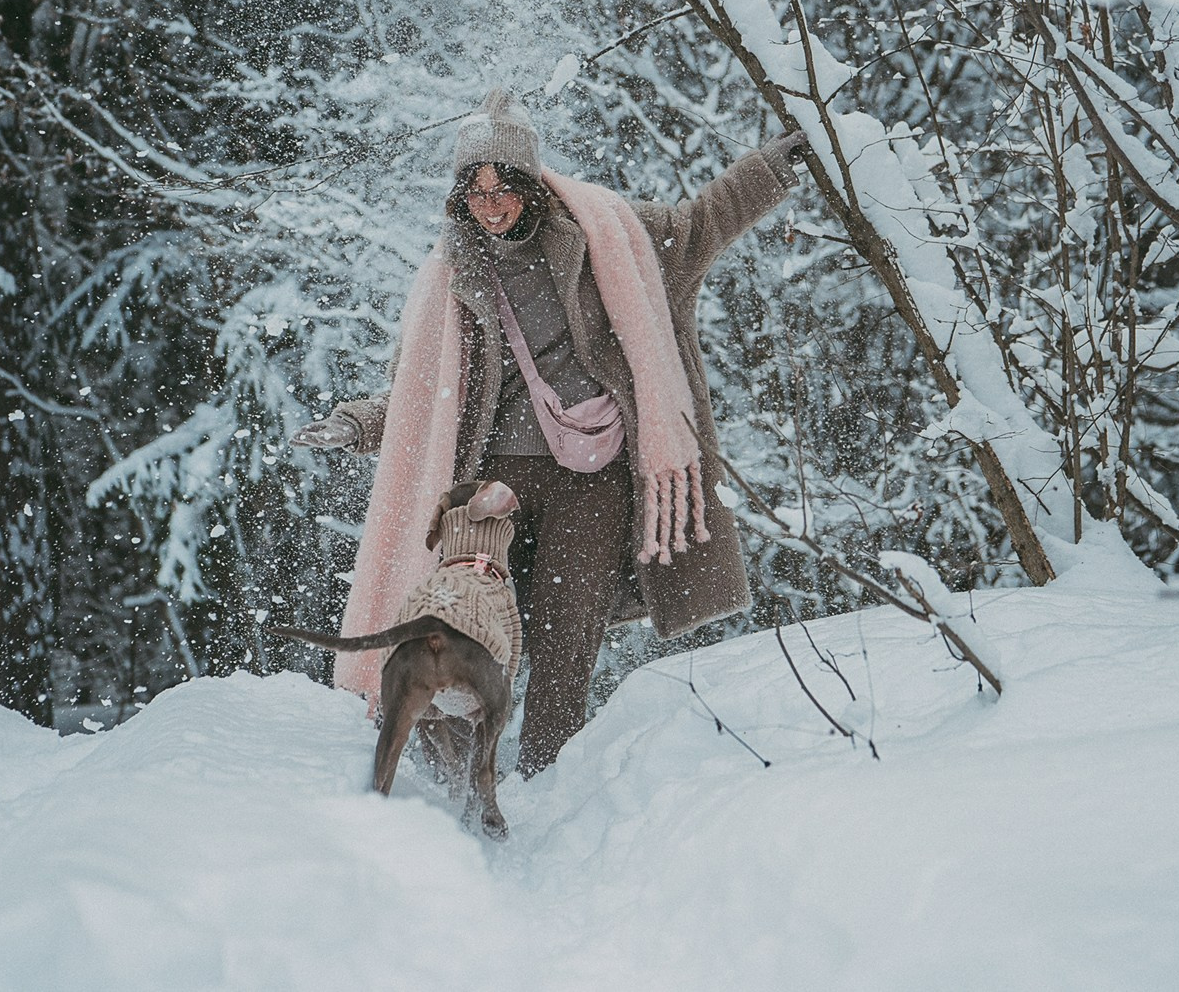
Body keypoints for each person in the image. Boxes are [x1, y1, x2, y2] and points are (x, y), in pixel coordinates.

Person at [296, 89, 807, 775]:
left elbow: (703, 220)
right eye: (474, 191)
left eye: (504, 184)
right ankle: (451, 783)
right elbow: (422, 399)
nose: (492, 203)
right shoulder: (451, 278)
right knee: (451, 626)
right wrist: (355, 424)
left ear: (530, 184)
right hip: (490, 485)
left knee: (567, 638)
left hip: (591, 480)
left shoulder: (610, 238)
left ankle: (545, 784)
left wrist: (773, 167)